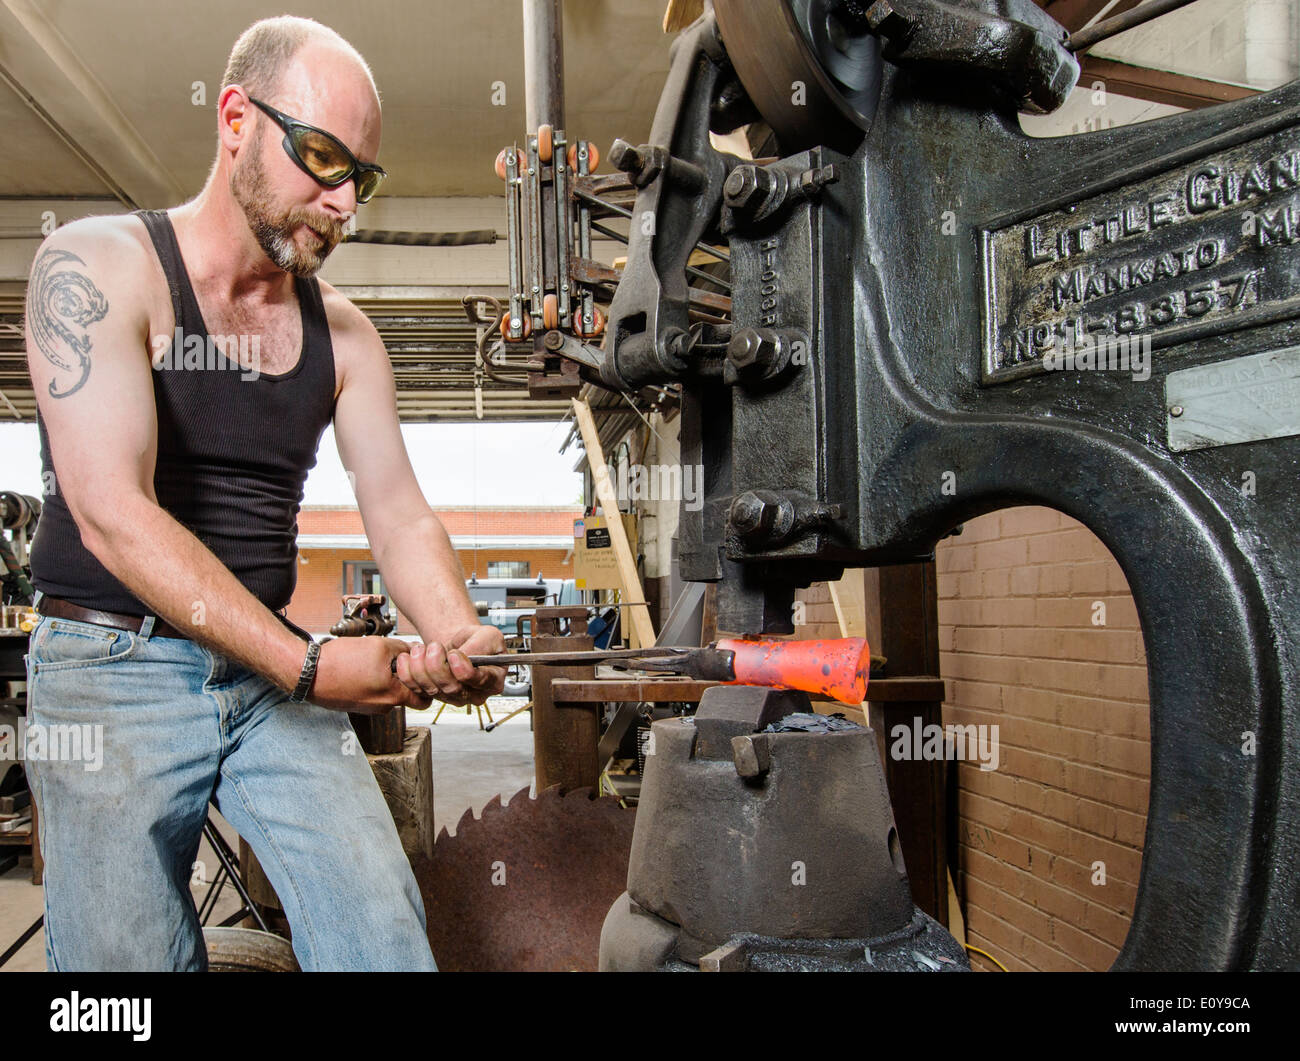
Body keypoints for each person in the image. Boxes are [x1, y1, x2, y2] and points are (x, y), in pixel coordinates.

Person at [22, 15, 504, 971]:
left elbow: (398, 512)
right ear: (235, 117)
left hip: (261, 677)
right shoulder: (97, 268)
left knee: (384, 935)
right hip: (108, 664)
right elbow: (113, 514)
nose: (341, 204)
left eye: (358, 179)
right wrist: (311, 666)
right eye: (321, 159)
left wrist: (452, 628)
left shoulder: (349, 339)